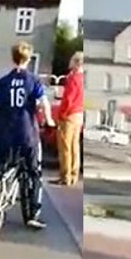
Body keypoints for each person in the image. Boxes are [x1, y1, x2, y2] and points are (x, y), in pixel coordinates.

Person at [0, 41, 55, 229]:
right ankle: (33, 213)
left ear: (13, 58)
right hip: (26, 131)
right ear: (28, 59)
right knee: (34, 172)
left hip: (5, 132)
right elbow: (44, 103)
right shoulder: (33, 81)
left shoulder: (3, 81)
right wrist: (49, 121)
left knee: (4, 167)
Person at [54, 51, 84, 186]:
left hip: (69, 115)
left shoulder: (73, 78)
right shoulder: (83, 78)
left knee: (65, 147)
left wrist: (61, 114)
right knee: (74, 146)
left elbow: (68, 99)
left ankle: (65, 176)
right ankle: (73, 175)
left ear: (76, 63)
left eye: (72, 60)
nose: (69, 62)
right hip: (79, 114)